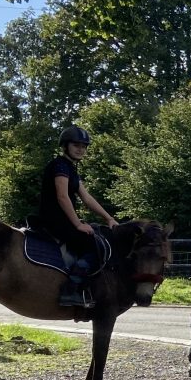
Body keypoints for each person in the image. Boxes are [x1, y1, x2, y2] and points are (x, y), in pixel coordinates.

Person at [37, 124, 119, 309]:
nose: (81, 149)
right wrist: (78, 224)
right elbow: (62, 196)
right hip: (54, 220)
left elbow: (87, 198)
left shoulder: (70, 168)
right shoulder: (60, 165)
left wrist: (109, 218)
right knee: (93, 246)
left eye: (84, 146)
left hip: (63, 220)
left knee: (96, 237)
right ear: (65, 146)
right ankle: (70, 290)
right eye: (76, 145)